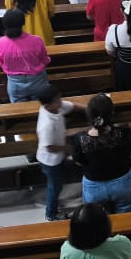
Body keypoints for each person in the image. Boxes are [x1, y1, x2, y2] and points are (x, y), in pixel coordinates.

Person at [70, 94, 131, 213]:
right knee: (126, 215)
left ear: (89, 114)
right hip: (122, 182)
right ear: (112, 113)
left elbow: (78, 161)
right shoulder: (124, 132)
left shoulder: (80, 139)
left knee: (95, 217)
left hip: (94, 186)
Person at [34, 86, 81, 222]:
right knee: (54, 187)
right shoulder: (46, 124)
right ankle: (50, 214)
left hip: (57, 157)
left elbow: (72, 106)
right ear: (48, 104)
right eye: (57, 100)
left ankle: (53, 206)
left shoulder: (55, 107)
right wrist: (67, 148)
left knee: (57, 184)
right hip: (50, 161)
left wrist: (89, 109)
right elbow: (49, 147)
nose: (60, 101)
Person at [0, 8, 51, 102]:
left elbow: (2, 63)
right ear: (23, 22)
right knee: (42, 105)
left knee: (18, 108)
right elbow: (45, 60)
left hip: (15, 83)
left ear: (4, 24)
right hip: (37, 80)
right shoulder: (37, 40)